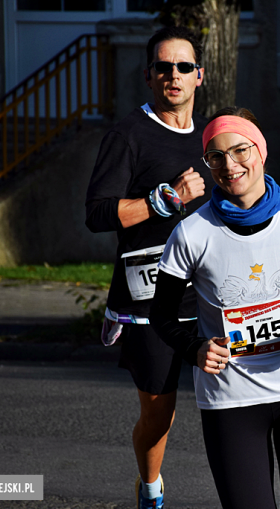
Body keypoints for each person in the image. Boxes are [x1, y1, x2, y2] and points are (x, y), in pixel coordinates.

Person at [150, 107, 280, 509]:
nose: (230, 165)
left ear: (260, 151)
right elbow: (161, 315)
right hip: (230, 399)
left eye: (240, 150)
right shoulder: (192, 233)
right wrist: (194, 348)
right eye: (216, 157)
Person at [85, 26, 214, 509]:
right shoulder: (128, 135)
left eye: (184, 67)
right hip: (148, 297)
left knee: (233, 403)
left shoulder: (210, 137)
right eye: (164, 67)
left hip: (206, 292)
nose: (173, 76)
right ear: (149, 75)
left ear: (199, 76)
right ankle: (151, 490)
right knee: (160, 412)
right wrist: (165, 201)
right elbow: (98, 213)